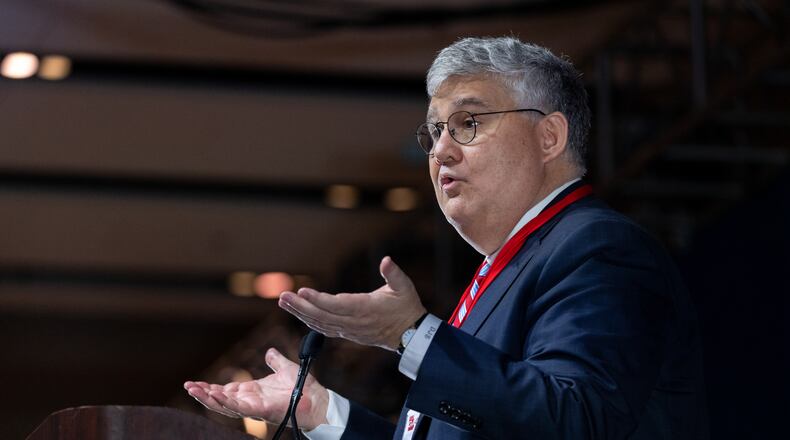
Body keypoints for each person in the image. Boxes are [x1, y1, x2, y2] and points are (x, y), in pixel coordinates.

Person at [185, 36, 708, 439]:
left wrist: (410, 335)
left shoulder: (597, 249)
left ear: (549, 137)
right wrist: (322, 413)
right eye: (435, 131)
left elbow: (573, 421)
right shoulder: (502, 271)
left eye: (469, 123)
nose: (441, 152)